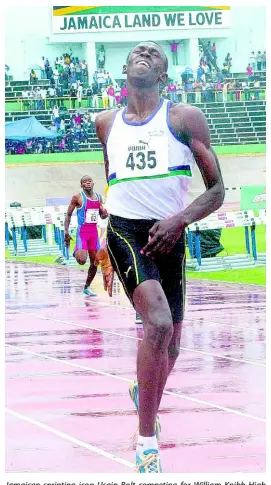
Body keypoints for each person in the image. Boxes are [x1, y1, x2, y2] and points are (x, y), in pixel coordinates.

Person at [95, 41, 225, 473]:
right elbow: (114, 185)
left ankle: (143, 392)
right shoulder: (105, 123)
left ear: (165, 76)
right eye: (137, 52)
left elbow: (216, 190)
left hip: (171, 233)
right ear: (125, 69)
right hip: (127, 231)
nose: (145, 53)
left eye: (155, 53)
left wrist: (178, 221)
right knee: (158, 324)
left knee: (172, 345)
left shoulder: (183, 119)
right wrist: (107, 248)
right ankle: (146, 442)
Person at [64, 176, 108, 296]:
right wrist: (66, 232)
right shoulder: (78, 198)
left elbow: (101, 215)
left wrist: (104, 214)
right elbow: (68, 215)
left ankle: (87, 287)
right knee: (82, 261)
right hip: (82, 233)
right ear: (81, 185)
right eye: (84, 182)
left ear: (93, 183)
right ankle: (76, 252)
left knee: (95, 262)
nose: (87, 183)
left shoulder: (98, 197)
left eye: (89, 181)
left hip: (94, 232)